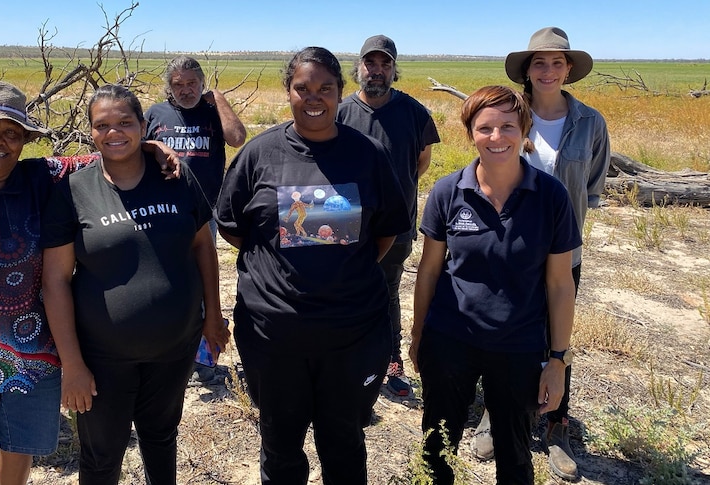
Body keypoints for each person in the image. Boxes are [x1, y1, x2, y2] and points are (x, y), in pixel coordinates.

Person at [0, 80, 179, 485]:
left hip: (35, 366)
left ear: (24, 141)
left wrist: (150, 146)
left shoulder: (43, 180)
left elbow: (105, 153)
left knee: (18, 453)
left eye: (10, 133)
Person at [215, 46, 408, 484]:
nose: (314, 97)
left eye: (325, 88)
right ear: (288, 92)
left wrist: (340, 270)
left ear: (341, 92)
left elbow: (385, 233)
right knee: (280, 447)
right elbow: (233, 228)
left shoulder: (368, 154)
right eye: (302, 88)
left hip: (350, 333)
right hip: (274, 335)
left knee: (343, 444)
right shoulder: (259, 154)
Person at [41, 84, 229, 485]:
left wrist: (213, 316)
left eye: (126, 122)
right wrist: (72, 365)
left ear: (144, 126)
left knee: (161, 438)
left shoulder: (175, 175)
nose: (115, 132)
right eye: (102, 125)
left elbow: (203, 247)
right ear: (90, 133)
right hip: (102, 356)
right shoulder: (73, 191)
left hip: (175, 348)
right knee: (101, 455)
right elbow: (55, 281)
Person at [409, 85, 581, 484]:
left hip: (519, 345)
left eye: (507, 126)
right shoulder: (449, 191)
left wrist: (557, 360)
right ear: (470, 133)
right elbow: (430, 270)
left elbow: (559, 284)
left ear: (525, 130)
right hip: (450, 338)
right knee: (437, 448)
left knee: (515, 454)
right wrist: (418, 335)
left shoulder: (551, 196)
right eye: (485, 127)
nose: (497, 137)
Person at [471, 27, 611, 481]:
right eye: (539, 63)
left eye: (557, 63)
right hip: (510, 249)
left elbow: (591, 188)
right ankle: (499, 411)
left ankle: (556, 425)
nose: (548, 71)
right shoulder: (509, 117)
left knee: (557, 338)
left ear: (569, 69)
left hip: (562, 251)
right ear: (527, 71)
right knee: (506, 328)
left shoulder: (591, 122)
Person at [336, 35, 440, 397]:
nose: (377, 71)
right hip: (343, 222)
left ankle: (390, 360)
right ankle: (348, 358)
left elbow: (420, 163)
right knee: (345, 290)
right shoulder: (341, 112)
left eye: (385, 65)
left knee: (388, 290)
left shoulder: (413, 113)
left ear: (395, 71)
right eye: (371, 63)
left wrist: (395, 195)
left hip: (394, 226)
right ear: (358, 68)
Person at [144, 55, 246, 386]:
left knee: (204, 284)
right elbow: (134, 148)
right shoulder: (157, 113)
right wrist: (155, 144)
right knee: (167, 284)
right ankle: (170, 355)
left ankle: (204, 362)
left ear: (202, 83)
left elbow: (236, 137)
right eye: (178, 85)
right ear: (168, 87)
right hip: (161, 213)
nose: (186, 90)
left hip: (203, 214)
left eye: (192, 83)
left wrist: (217, 99)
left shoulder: (211, 111)